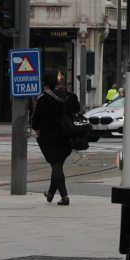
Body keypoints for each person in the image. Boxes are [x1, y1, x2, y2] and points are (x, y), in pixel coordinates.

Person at [32, 70, 76, 204]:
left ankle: (65, 196)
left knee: (56, 165)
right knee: (58, 164)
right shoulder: (66, 94)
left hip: (48, 136)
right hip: (65, 135)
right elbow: (77, 108)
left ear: (44, 83)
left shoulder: (42, 98)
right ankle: (50, 193)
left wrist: (39, 135)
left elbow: (35, 121)